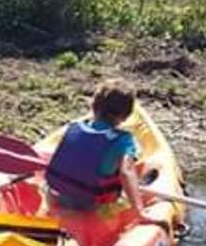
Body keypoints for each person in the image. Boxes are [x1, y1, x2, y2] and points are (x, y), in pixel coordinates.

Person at [45, 79, 165, 228]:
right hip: (91, 206)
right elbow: (126, 172)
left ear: (93, 106)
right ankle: (140, 188)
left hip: (55, 197)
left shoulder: (74, 128)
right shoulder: (123, 139)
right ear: (126, 115)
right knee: (130, 194)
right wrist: (139, 212)